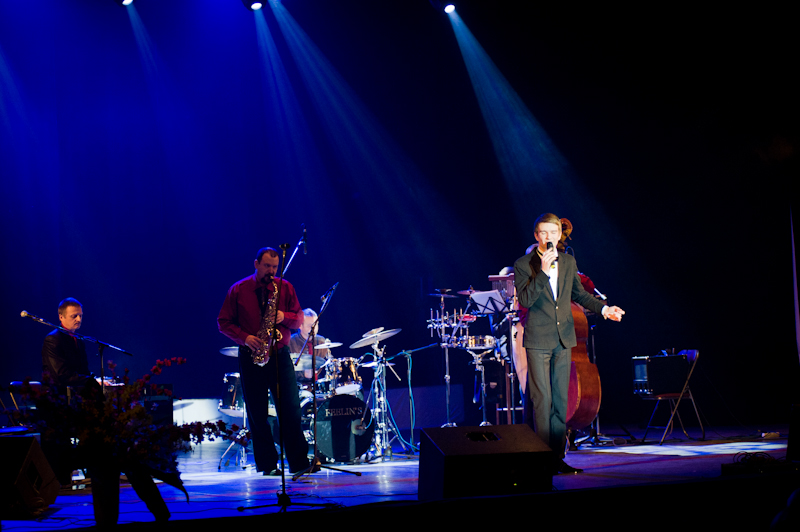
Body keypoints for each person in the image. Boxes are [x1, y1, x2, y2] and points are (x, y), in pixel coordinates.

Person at [514, 213, 624, 474]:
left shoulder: (568, 262)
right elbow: (526, 300)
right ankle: (541, 460)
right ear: (536, 236)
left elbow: (579, 294)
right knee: (542, 401)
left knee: (560, 401)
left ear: (559, 234)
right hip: (538, 340)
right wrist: (543, 272)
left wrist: (604, 309)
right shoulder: (523, 264)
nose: (549, 238)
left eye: (553, 233)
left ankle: (555, 458)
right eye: (543, 233)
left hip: (564, 339)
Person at [217, 247, 310, 475]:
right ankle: (268, 466)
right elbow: (223, 322)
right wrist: (245, 337)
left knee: (290, 410)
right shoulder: (238, 289)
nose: (271, 271)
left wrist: (284, 316)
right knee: (257, 413)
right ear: (256, 264)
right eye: (267, 266)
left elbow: (299, 318)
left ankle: (299, 463)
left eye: (275, 267)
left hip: (279, 354)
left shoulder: (285, 287)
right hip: (251, 354)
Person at [41, 297, 95, 391]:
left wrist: (97, 380)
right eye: (74, 316)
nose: (79, 319)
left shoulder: (79, 340)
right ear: (61, 317)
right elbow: (62, 375)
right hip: (57, 394)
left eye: (80, 315)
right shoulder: (53, 339)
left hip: (76, 392)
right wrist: (91, 381)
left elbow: (83, 371)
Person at [288, 308, 330, 384]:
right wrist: (303, 374)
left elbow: (329, 363)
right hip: (297, 385)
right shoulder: (290, 342)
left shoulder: (322, 341)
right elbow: (285, 369)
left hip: (319, 385)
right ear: (300, 325)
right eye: (310, 325)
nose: (314, 328)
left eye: (316, 324)